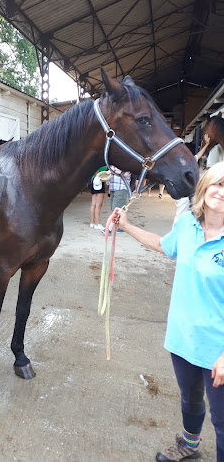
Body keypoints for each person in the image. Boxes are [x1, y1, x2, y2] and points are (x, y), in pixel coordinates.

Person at [116, 161, 224, 462]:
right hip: (183, 338)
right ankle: (190, 444)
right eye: (217, 183)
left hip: (218, 349)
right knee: (189, 399)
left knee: (222, 421)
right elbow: (164, 246)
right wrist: (125, 225)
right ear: (204, 188)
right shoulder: (188, 225)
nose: (221, 192)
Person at [173, 133, 211, 226]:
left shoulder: (185, 160)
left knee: (183, 210)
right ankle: (176, 231)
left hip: (182, 190)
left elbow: (197, 156)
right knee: (181, 211)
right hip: (181, 190)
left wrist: (206, 144)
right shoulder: (181, 161)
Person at [109, 166, 131, 232]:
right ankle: (121, 227)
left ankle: (109, 229)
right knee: (117, 209)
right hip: (113, 188)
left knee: (116, 210)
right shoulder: (112, 164)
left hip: (121, 188)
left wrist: (113, 171)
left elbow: (125, 174)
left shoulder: (127, 163)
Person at [89, 166, 107, 232]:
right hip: (99, 181)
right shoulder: (102, 164)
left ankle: (92, 222)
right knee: (98, 205)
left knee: (93, 203)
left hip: (93, 180)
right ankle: (97, 223)